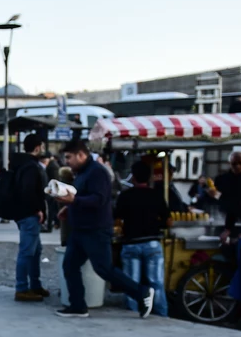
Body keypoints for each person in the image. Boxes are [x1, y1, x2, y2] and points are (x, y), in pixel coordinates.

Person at [54, 139, 154, 319]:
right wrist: (69, 208)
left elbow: (98, 200)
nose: (66, 161)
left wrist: (74, 202)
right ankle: (78, 306)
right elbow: (81, 196)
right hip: (80, 230)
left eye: (69, 157)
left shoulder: (97, 173)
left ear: (81, 155)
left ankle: (142, 293)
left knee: (104, 269)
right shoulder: (82, 172)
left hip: (95, 230)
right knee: (69, 265)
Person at [115, 160, 171, 317]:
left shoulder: (125, 196)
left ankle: (132, 313)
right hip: (152, 243)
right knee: (156, 283)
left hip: (131, 243)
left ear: (133, 177)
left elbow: (117, 220)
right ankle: (161, 314)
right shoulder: (157, 195)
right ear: (149, 178)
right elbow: (168, 221)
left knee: (131, 283)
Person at [11, 134, 50, 302]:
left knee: (35, 250)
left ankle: (35, 284)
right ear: (37, 147)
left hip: (23, 213)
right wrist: (37, 209)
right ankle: (22, 288)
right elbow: (29, 191)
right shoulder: (31, 166)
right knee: (27, 251)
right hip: (29, 215)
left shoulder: (21, 163)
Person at [216, 151, 241, 243]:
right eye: (234, 164)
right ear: (229, 164)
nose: (238, 166)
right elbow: (231, 205)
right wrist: (227, 229)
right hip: (233, 218)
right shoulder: (225, 179)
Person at [39, 153, 60, 232]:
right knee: (53, 209)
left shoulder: (52, 166)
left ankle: (50, 226)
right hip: (52, 190)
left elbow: (53, 180)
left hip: (52, 191)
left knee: (51, 209)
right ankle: (55, 223)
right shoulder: (52, 165)